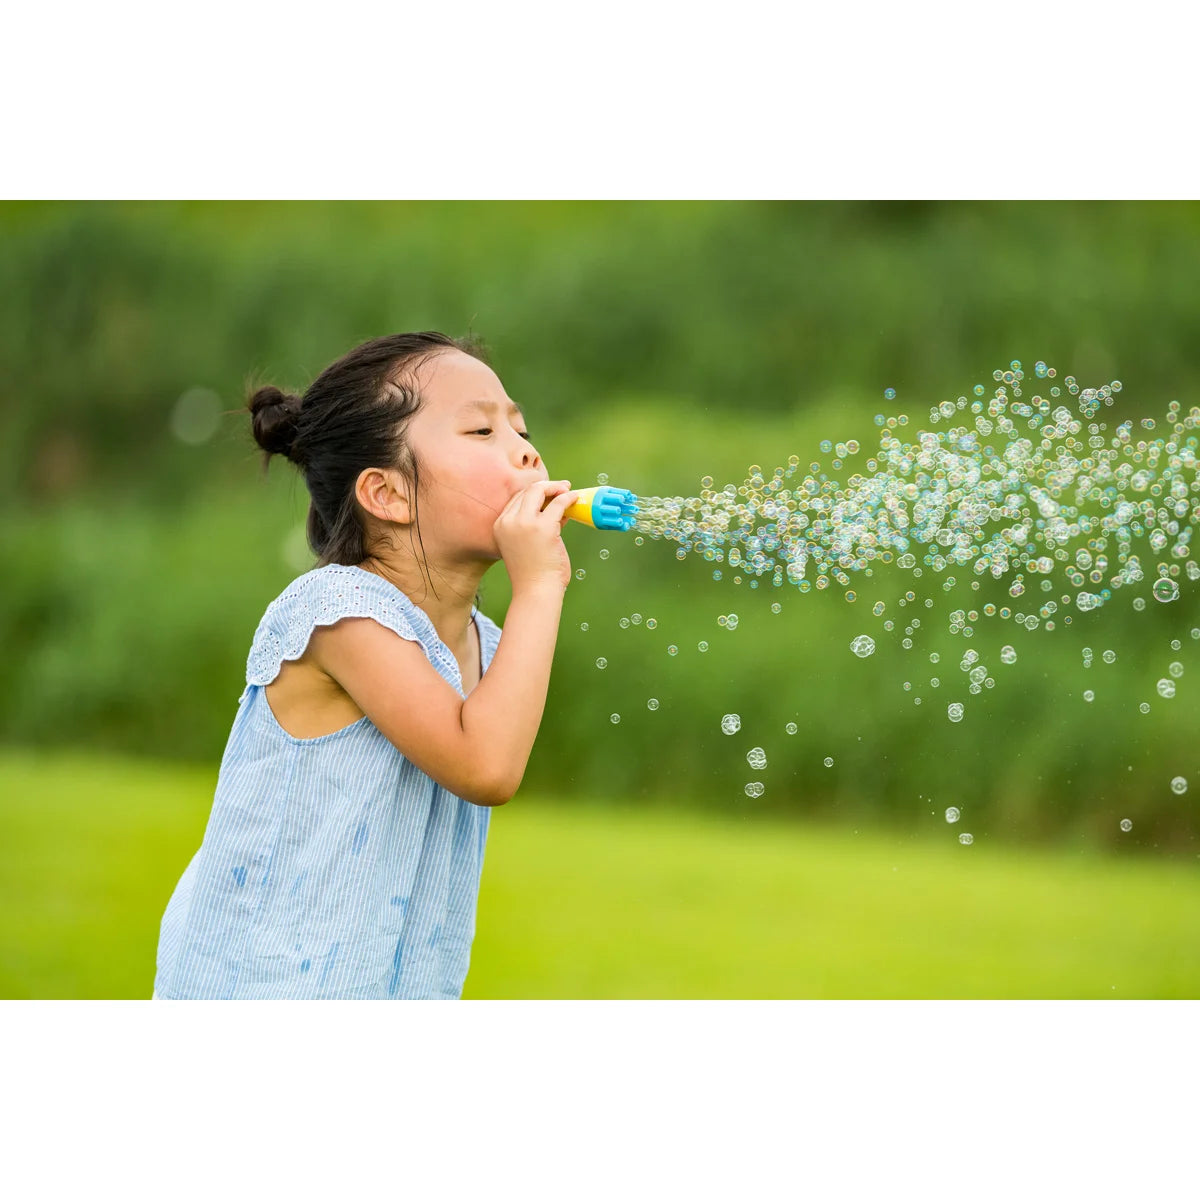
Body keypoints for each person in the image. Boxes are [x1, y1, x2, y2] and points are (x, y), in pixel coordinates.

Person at [152, 331, 579, 999]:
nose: (526, 451)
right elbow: (487, 766)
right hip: (264, 990)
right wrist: (542, 585)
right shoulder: (340, 614)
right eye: (481, 430)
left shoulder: (485, 642)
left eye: (520, 428)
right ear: (388, 495)